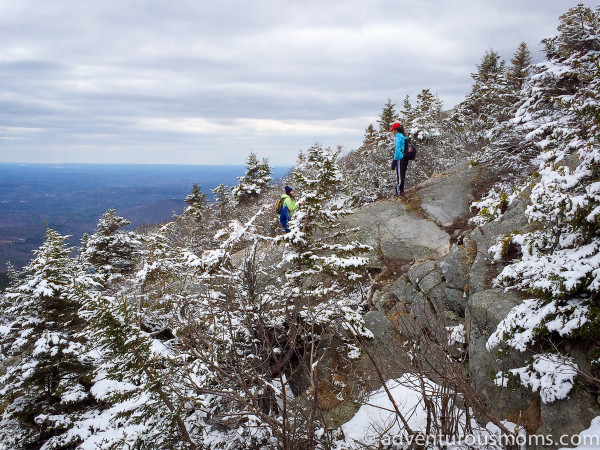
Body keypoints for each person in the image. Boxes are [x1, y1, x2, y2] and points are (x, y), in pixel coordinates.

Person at [390, 122, 409, 196]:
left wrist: (394, 161)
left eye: (393, 130)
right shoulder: (403, 136)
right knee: (402, 175)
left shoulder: (398, 138)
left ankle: (399, 193)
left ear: (395, 130)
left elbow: (397, 150)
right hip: (405, 158)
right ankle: (401, 191)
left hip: (400, 159)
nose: (392, 132)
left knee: (400, 176)